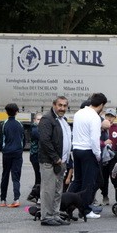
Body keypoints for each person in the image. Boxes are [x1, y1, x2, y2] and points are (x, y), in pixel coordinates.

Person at [70, 92, 107, 219]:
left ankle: (63, 202)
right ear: (101, 105)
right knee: (88, 182)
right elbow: (94, 139)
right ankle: (85, 210)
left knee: (77, 180)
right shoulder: (95, 117)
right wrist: (98, 155)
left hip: (76, 149)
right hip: (88, 151)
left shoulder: (78, 113)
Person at [38, 96, 72, 226]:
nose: (62, 108)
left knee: (58, 190)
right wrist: (55, 158)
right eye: (60, 105)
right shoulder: (47, 119)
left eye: (65, 105)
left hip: (61, 162)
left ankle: (55, 214)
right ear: (54, 105)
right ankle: (46, 216)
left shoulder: (62, 120)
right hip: (50, 161)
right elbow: (45, 141)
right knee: (48, 190)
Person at [0, 103, 24, 207]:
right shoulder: (20, 124)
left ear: (6, 112)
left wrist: (3, 150)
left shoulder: (3, 124)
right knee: (16, 176)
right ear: (17, 112)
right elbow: (23, 139)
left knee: (5, 175)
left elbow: (1, 140)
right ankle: (16, 199)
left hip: (7, 153)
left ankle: (3, 200)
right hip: (17, 153)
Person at [99, 108, 117, 205]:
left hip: (113, 157)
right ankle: (105, 196)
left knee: (114, 177)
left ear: (115, 118)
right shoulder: (101, 128)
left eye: (111, 117)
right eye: (108, 116)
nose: (109, 119)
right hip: (103, 157)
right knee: (103, 178)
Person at [26, 113, 42, 202]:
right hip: (35, 156)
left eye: (41, 119)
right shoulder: (35, 129)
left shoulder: (37, 129)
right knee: (39, 177)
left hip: (36, 155)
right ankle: (34, 195)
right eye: (38, 119)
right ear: (34, 120)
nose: (40, 121)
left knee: (39, 177)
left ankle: (34, 195)